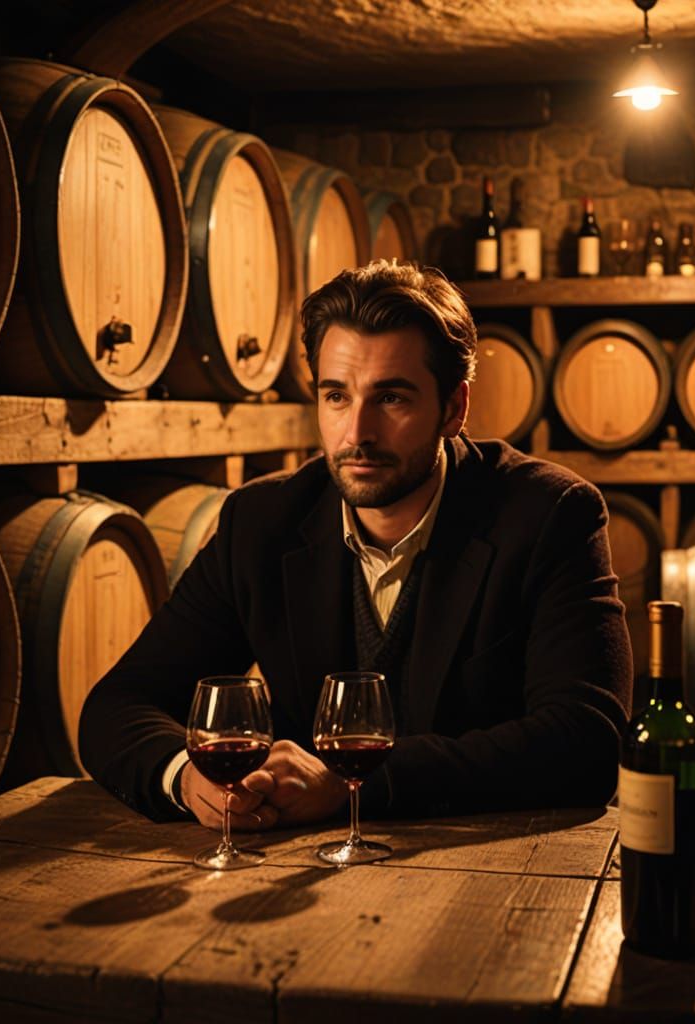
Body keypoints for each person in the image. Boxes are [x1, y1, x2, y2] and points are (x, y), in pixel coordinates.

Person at [79, 259, 632, 831]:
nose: (357, 433)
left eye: (391, 398)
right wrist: (185, 775)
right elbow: (116, 706)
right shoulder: (261, 522)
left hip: (503, 871)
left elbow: (587, 741)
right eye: (336, 396)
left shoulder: (550, 514)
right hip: (306, 880)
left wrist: (352, 785)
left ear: (454, 409)